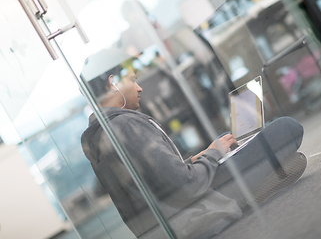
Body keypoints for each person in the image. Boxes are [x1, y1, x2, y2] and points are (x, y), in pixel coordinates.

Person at [81, 50, 306, 239]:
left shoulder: (101, 134)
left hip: (171, 221)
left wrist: (200, 157)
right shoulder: (127, 126)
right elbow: (186, 185)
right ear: (113, 83)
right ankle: (243, 194)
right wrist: (213, 155)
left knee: (227, 137)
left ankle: (259, 180)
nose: (139, 87)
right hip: (196, 214)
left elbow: (156, 180)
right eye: (132, 79)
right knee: (286, 127)